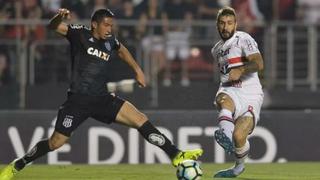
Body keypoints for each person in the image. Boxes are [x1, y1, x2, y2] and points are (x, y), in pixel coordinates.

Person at [0, 8, 203, 180]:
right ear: (94, 24)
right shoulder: (79, 34)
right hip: (77, 101)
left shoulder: (110, 41)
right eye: (106, 25)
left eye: (111, 25)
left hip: (102, 98)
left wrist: (138, 70)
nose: (109, 29)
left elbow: (122, 49)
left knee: (140, 119)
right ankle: (19, 163)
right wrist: (58, 17)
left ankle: (176, 154)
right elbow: (53, 27)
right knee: (55, 143)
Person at [211, 7, 264, 178]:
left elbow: (258, 63)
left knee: (239, 136)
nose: (225, 27)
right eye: (222, 23)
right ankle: (224, 135)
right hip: (229, 89)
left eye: (229, 23)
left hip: (250, 94)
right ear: (217, 25)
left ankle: (238, 167)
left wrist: (241, 69)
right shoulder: (216, 49)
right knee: (222, 98)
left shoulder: (243, 38)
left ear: (235, 24)